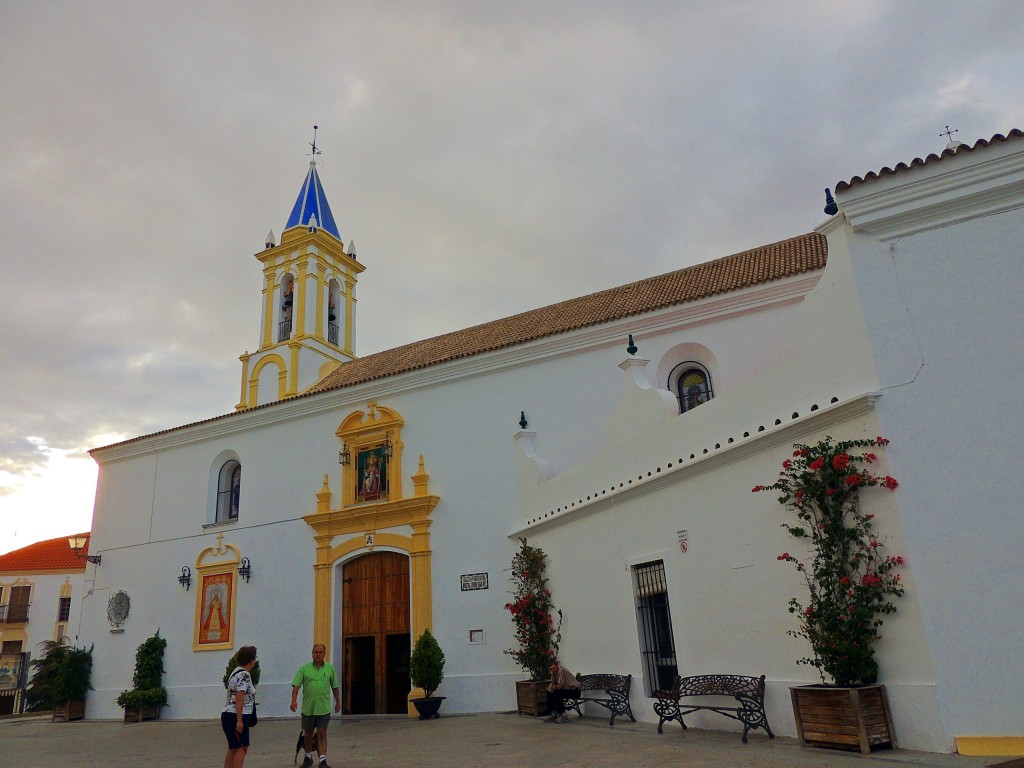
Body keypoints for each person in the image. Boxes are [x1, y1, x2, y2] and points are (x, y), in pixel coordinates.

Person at [291, 643, 342, 768]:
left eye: (320, 652)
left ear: (324, 654)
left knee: (321, 732)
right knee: (308, 734)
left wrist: (338, 702)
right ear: (312, 654)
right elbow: (296, 685)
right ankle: (308, 757)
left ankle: (323, 760)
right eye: (316, 652)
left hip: (323, 707)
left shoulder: (330, 669)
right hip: (308, 708)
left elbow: (335, 686)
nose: (318, 654)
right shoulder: (304, 669)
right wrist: (293, 700)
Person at [222, 645, 258, 768]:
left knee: (233, 747)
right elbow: (239, 697)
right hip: (237, 715)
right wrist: (239, 721)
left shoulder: (235, 672)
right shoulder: (245, 675)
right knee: (242, 747)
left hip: (227, 714)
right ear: (251, 660)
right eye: (255, 658)